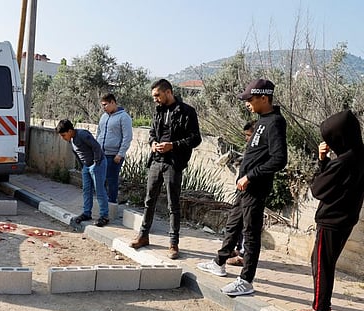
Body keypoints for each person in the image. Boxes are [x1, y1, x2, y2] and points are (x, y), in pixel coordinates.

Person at [197, 79, 287, 295]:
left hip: (255, 188)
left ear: (264, 98)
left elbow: (280, 159)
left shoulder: (274, 122)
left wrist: (250, 176)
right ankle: (219, 262)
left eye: (250, 99)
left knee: (251, 233)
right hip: (244, 188)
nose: (247, 103)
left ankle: (246, 281)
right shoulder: (262, 121)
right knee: (233, 224)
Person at [288, 110, 364, 311]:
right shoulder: (359, 153)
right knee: (324, 263)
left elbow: (318, 189)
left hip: (332, 219)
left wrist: (322, 160)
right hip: (347, 218)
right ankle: (323, 308)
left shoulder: (342, 162)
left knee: (321, 265)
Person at [129, 79, 202, 259]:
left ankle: (173, 244)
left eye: (157, 95)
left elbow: (195, 139)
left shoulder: (187, 112)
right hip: (156, 161)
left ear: (168, 92)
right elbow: (152, 133)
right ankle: (143, 236)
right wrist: (153, 143)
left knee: (173, 204)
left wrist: (173, 145)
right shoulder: (158, 111)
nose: (155, 99)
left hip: (173, 163)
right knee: (149, 200)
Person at [55, 119, 109, 227]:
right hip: (86, 166)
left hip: (97, 164)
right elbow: (78, 154)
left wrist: (96, 163)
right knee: (86, 190)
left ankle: (104, 216)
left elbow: (96, 147)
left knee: (99, 190)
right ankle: (86, 213)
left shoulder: (82, 134)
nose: (63, 138)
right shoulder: (71, 140)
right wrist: (83, 167)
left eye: (64, 135)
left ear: (70, 131)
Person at [227, 121, 255, 267]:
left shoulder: (261, 150)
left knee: (247, 225)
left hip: (251, 192)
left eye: (249, 136)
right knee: (236, 222)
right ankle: (236, 250)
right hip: (242, 190)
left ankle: (243, 255)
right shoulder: (251, 149)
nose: (246, 139)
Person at [96, 93, 133, 204]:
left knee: (111, 180)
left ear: (113, 102)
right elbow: (99, 132)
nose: (103, 107)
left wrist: (120, 154)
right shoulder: (103, 116)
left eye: (105, 105)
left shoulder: (124, 117)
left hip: (114, 155)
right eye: (102, 105)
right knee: (100, 179)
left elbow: (127, 137)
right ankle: (102, 202)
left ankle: (111, 203)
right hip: (101, 154)